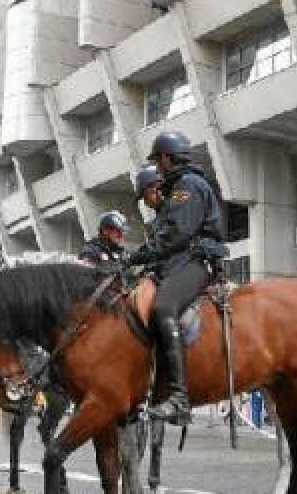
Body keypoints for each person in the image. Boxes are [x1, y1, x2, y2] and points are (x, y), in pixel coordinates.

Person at [125, 132, 227, 425]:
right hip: (181, 263)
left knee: (163, 308)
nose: (158, 168)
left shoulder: (188, 186)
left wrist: (135, 257)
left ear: (167, 158)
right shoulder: (179, 188)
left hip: (196, 262)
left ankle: (180, 399)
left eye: (158, 162)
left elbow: (175, 235)